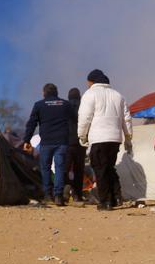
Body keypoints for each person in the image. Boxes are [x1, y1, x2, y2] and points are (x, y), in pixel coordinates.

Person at [77, 69, 133, 211]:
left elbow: (84, 117)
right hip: (115, 139)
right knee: (109, 168)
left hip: (98, 138)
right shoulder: (118, 95)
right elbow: (126, 119)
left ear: (91, 81)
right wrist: (128, 138)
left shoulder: (90, 94)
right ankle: (116, 197)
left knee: (100, 170)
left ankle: (105, 202)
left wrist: (82, 136)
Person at [23, 83, 72, 206]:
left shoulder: (39, 105)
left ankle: (48, 195)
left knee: (45, 168)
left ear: (44, 93)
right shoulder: (65, 104)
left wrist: (26, 140)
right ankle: (59, 196)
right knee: (60, 168)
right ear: (56, 92)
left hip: (46, 143)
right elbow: (75, 121)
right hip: (62, 142)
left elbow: (31, 124)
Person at [65, 88, 87, 202]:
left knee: (65, 169)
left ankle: (65, 189)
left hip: (67, 143)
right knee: (79, 170)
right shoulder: (84, 106)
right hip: (81, 143)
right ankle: (77, 194)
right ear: (79, 96)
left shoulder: (65, 106)